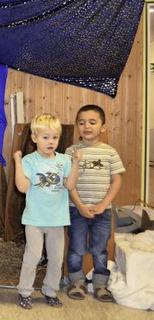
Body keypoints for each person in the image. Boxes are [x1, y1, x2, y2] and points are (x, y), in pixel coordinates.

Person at [13, 113, 81, 310]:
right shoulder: (29, 160)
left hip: (57, 219)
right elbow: (23, 187)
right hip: (34, 219)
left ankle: (50, 290)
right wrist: (18, 162)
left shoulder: (64, 160)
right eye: (45, 137)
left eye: (55, 137)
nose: (51, 142)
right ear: (34, 138)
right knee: (32, 256)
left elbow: (70, 185)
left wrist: (75, 164)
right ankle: (25, 291)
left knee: (56, 258)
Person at [65, 105, 125, 303]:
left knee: (100, 249)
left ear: (103, 127)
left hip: (103, 211)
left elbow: (116, 180)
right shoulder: (71, 151)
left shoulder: (109, 152)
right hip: (76, 210)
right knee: (76, 248)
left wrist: (103, 205)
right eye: (81, 123)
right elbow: (68, 183)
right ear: (77, 127)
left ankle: (100, 284)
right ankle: (76, 282)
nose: (87, 126)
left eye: (92, 122)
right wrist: (80, 206)